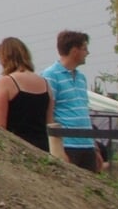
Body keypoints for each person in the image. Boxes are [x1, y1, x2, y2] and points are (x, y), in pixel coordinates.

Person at [42, 30, 100, 172]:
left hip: (86, 144)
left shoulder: (81, 78)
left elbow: (83, 111)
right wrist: (57, 148)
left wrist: (95, 146)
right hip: (68, 145)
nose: (88, 53)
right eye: (84, 48)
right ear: (74, 51)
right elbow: (48, 112)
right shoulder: (50, 75)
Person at [0, 37, 54, 154]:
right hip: (43, 148)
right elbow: (50, 122)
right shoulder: (45, 83)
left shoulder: (6, 82)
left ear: (5, 58)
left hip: (18, 149)